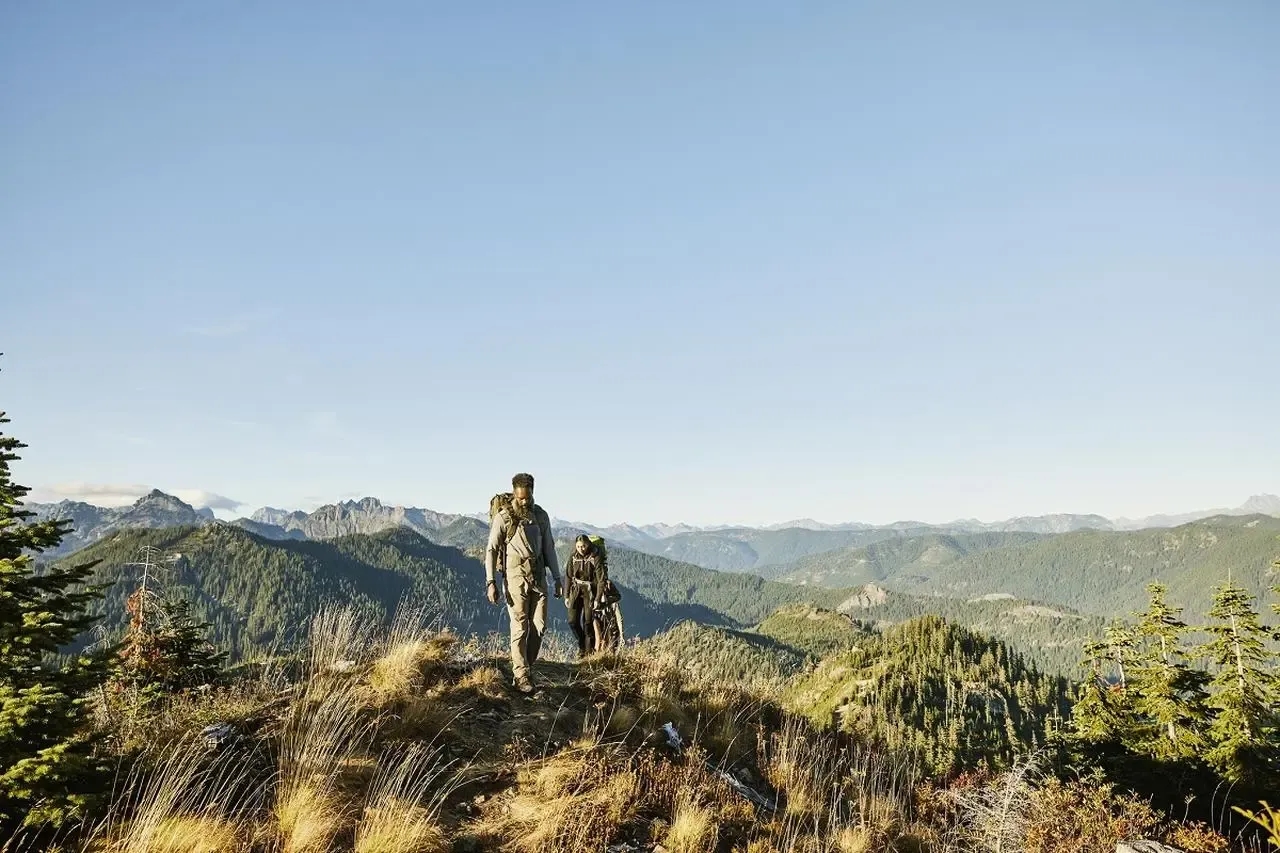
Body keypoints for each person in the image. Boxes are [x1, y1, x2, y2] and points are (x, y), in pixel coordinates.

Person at [485, 472, 562, 693]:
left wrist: (557, 578)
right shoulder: (504, 517)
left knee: (539, 626)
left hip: (538, 576)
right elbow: (491, 549)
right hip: (515, 577)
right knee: (519, 627)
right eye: (520, 498)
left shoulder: (541, 516)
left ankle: (525, 666)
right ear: (514, 493)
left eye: (527, 497)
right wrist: (491, 581)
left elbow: (549, 548)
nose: (524, 501)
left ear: (532, 492)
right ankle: (521, 675)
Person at [563, 534, 609, 657]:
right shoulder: (573, 557)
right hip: (576, 590)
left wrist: (598, 598)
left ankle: (587, 654)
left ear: (588, 544)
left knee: (588, 623)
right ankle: (582, 643)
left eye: (583, 546)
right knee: (572, 621)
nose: (581, 549)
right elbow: (568, 576)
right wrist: (566, 595)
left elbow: (601, 581)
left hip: (590, 592)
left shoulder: (595, 557)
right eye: (578, 546)